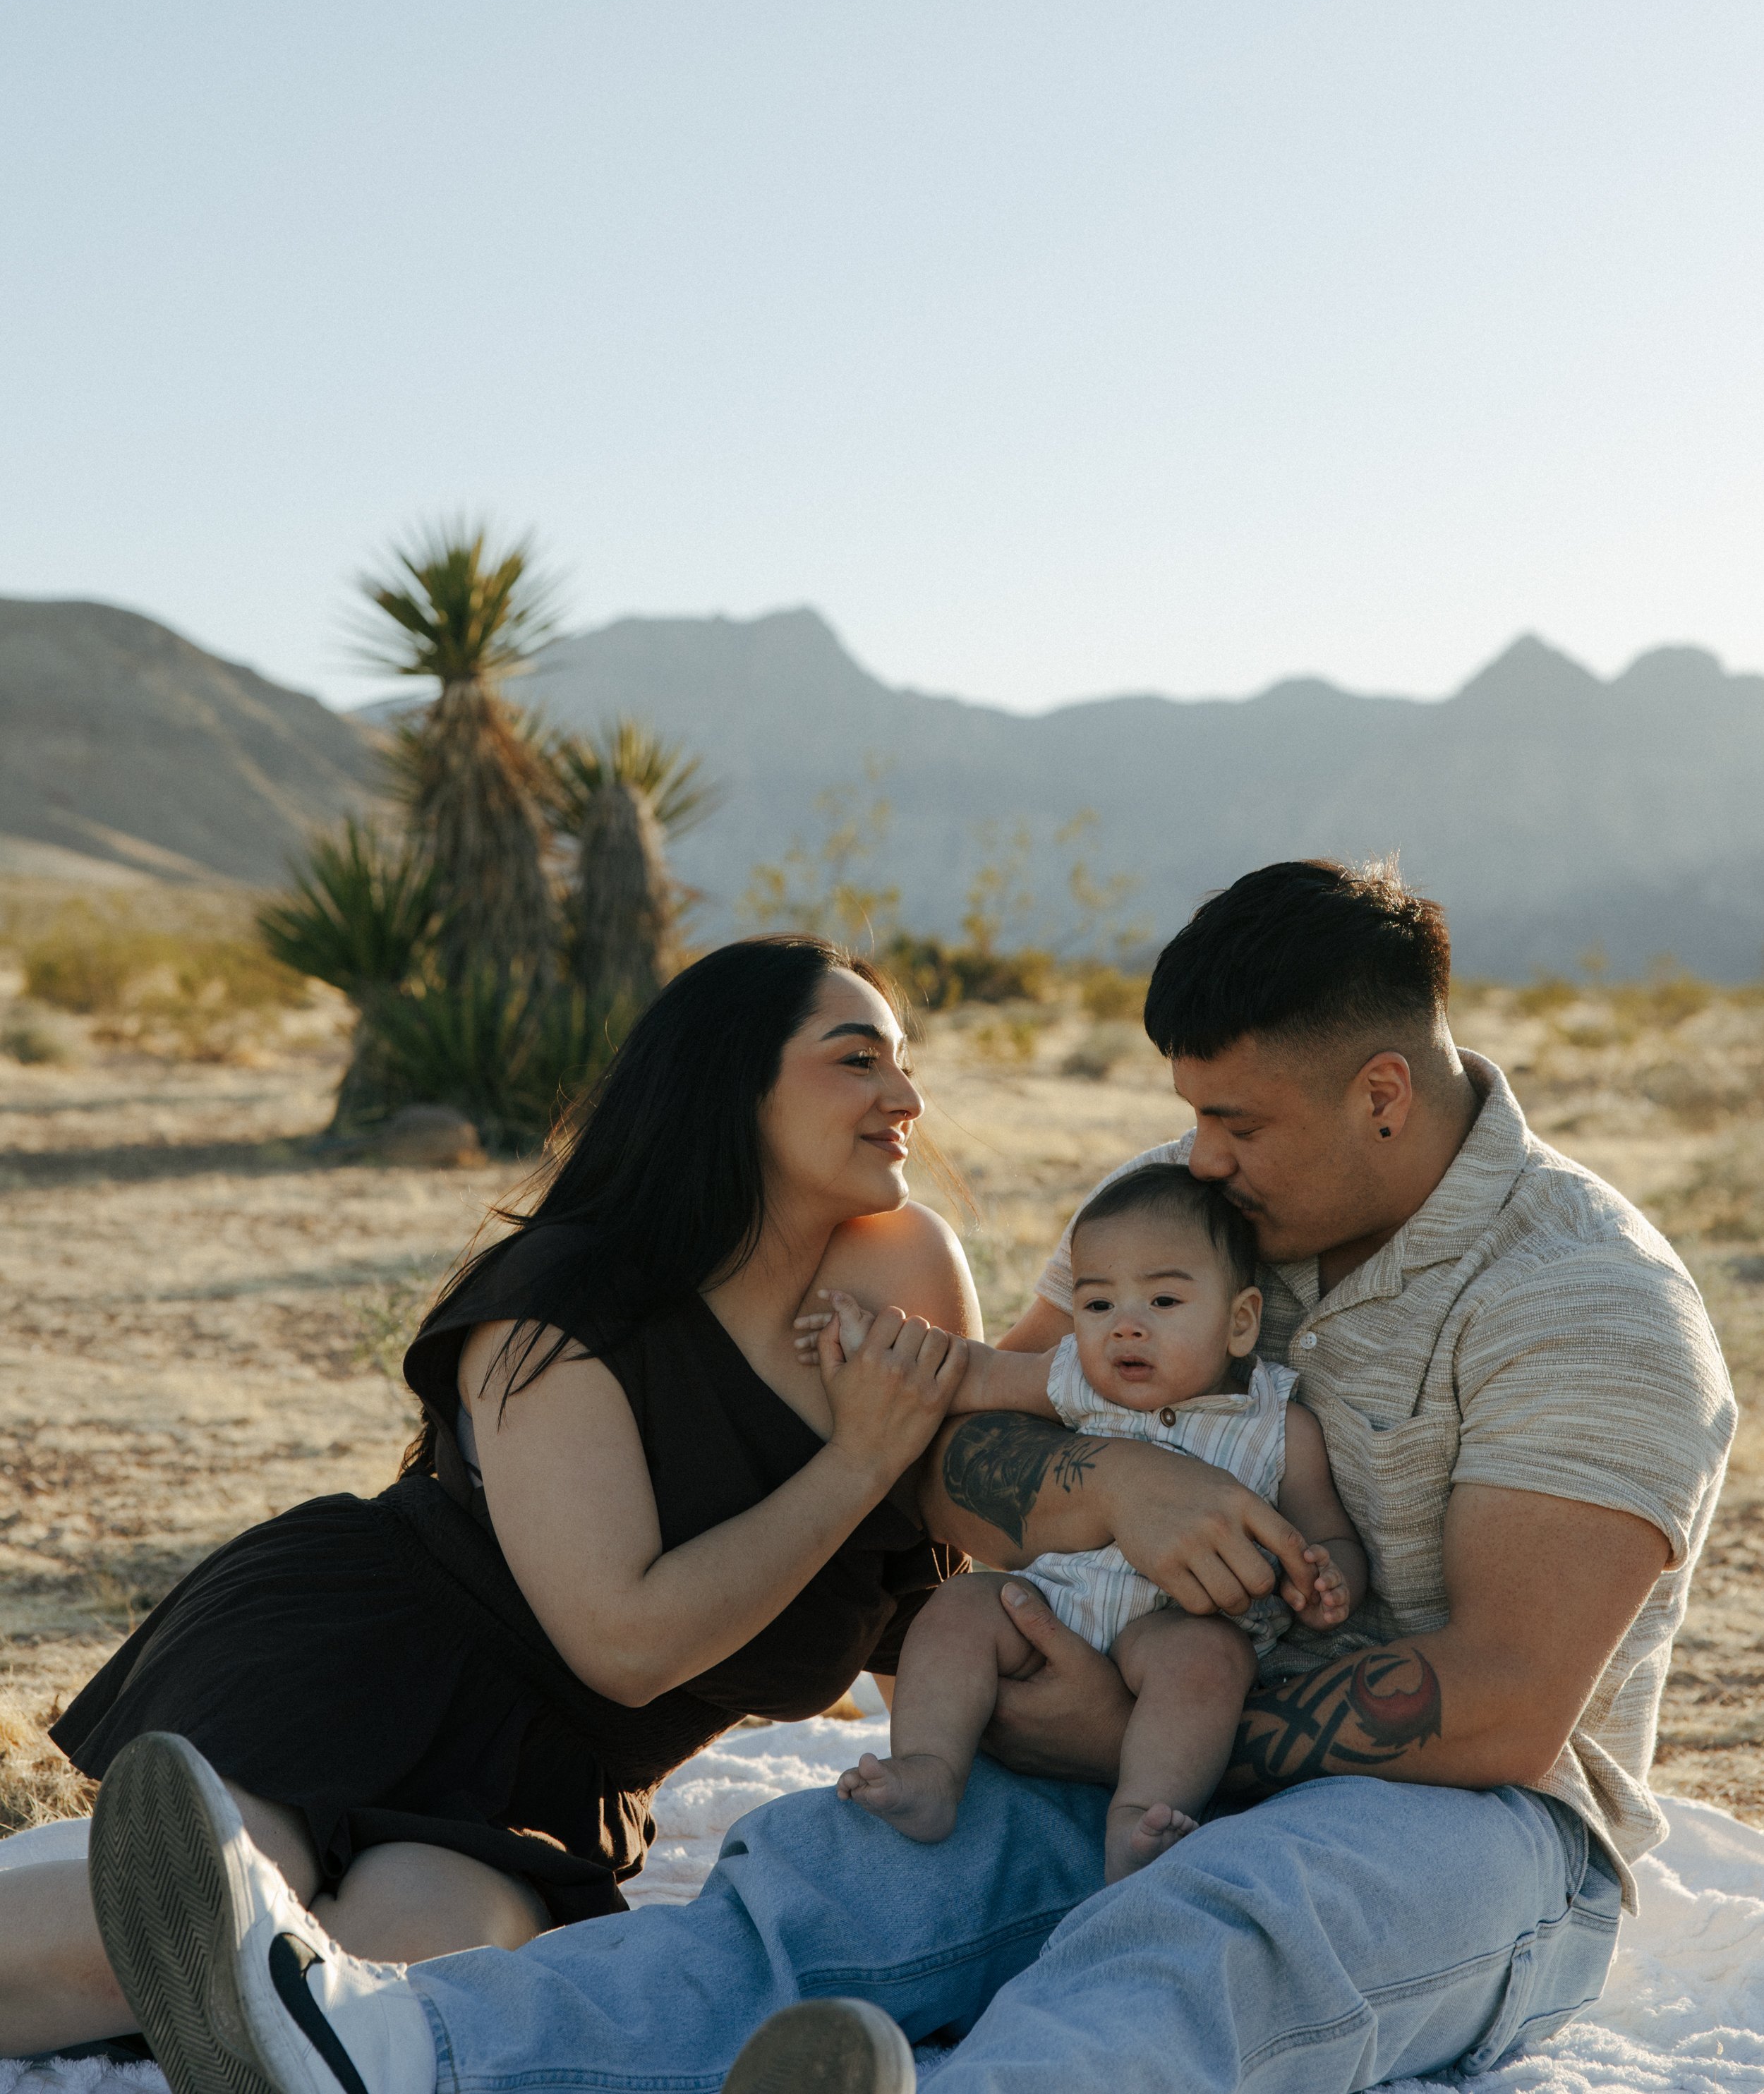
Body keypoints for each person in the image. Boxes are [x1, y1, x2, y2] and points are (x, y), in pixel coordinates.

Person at [83, 860, 1736, 2094]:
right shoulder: (1185, 1211)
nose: (1199, 1158)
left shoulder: (1583, 1304)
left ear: (1380, 1093)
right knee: (829, 1884)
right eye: (1190, 1117)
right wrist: (1115, 1485)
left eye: (1236, 1122)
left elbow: (1501, 1706)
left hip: (1466, 1827)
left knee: (1209, 1930)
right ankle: (388, 2049)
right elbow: (959, 1460)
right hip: (1118, 1736)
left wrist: (1125, 1729)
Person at [1, 936, 981, 2062]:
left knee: (403, 1982)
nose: (906, 1097)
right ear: (729, 1082)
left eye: (903, 1062)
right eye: (857, 1059)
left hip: (551, 1776)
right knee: (191, 1920)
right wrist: (853, 1462)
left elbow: (923, 1590)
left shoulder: (904, 1269)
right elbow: (624, 1641)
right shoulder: (560, 1299)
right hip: (357, 1658)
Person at [816, 1164, 1365, 1880]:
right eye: (1098, 1303)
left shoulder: (1278, 1426)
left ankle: (1139, 1817)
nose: (1126, 1325)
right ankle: (930, 1769)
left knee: (1210, 1660)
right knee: (959, 1605)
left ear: (1240, 1322)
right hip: (1055, 1606)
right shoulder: (1071, 1375)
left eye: (1163, 1300)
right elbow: (974, 1373)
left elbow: (1327, 1534)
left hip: (1175, 1627)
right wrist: (878, 1348)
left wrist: (1326, 1579)